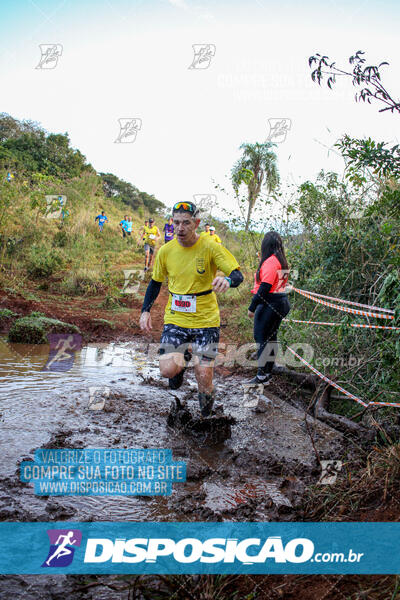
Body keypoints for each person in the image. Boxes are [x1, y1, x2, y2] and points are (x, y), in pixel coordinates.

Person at [139, 201, 243, 417]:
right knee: (167, 370)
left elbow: (237, 274)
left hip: (206, 321)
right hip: (176, 319)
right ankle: (182, 362)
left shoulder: (210, 247)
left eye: (186, 223)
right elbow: (155, 283)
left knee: (204, 375)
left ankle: (207, 415)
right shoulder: (166, 251)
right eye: (176, 223)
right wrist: (145, 310)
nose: (180, 228)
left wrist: (228, 281)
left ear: (196, 223)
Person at [247, 231, 291, 384]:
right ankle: (267, 372)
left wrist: (252, 307)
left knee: (261, 337)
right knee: (271, 338)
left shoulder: (271, 262)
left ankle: (261, 375)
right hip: (280, 301)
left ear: (266, 245)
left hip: (270, 302)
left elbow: (264, 287)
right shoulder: (281, 260)